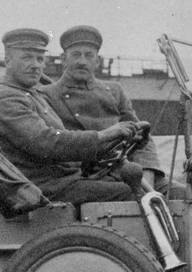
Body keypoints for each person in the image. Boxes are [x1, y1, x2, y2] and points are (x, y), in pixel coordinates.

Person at [0, 28, 139, 204]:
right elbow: (47, 142)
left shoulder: (29, 94)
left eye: (40, 59)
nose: (35, 65)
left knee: (126, 178)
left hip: (59, 181)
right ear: (8, 61)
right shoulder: (6, 98)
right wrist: (105, 135)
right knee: (123, 192)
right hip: (37, 188)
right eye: (26, 57)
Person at [42, 25, 168, 195]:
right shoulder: (48, 95)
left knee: (182, 196)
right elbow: (57, 144)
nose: (82, 61)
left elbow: (143, 138)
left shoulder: (115, 90)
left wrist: (147, 173)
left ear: (97, 61)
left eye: (89, 55)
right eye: (76, 54)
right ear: (64, 59)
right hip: (89, 178)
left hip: (129, 171)